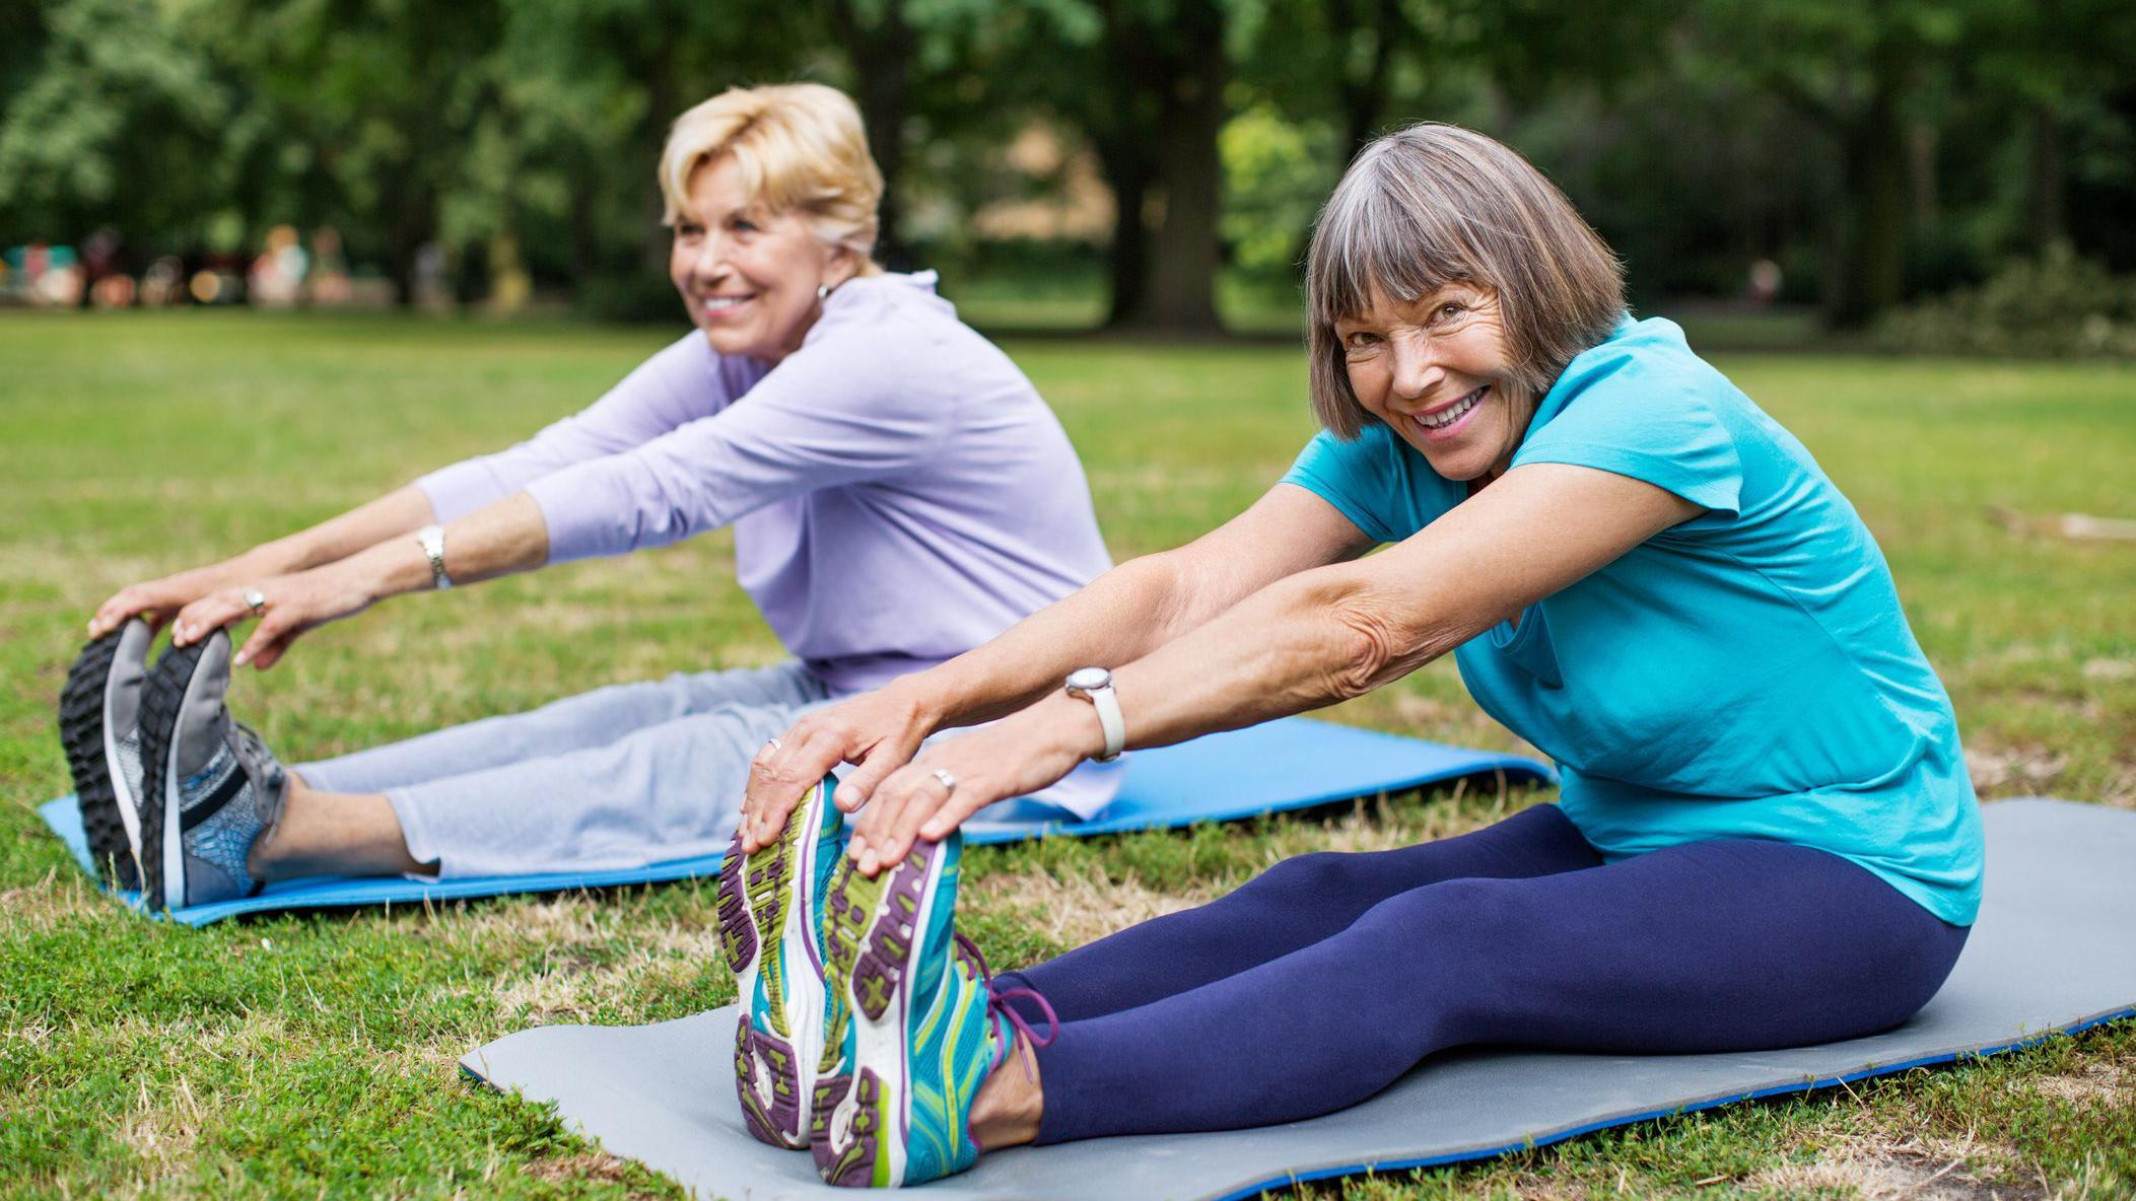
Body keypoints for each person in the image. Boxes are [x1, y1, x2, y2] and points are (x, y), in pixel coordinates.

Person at [728, 122, 1984, 1188]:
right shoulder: (1407, 437)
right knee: (1318, 896)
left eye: (1447, 313)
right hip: (1641, 829)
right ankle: (911, 1035)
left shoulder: (1657, 413)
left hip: (1856, 877)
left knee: (1441, 943)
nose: (1409, 374)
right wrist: (925, 701)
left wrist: (1050, 732)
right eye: (1364, 336)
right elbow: (1180, 590)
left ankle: (986, 1093)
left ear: (1537, 284)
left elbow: (1364, 625)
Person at [72, 83, 1117, 912]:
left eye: (743, 227)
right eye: (687, 229)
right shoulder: (748, 344)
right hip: (857, 687)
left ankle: (262, 834)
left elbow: (655, 490)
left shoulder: (886, 357)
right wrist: (257, 570)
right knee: (612, 717)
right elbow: (552, 460)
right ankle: (196, 795)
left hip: (995, 734)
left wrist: (360, 584)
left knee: (679, 764)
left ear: (839, 237)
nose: (706, 263)